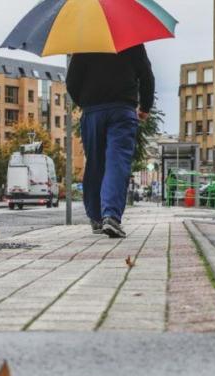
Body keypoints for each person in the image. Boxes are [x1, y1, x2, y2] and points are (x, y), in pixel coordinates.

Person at [67, 44, 155, 238]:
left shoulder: (86, 43)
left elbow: (72, 82)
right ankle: (111, 216)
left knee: (95, 164)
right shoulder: (133, 42)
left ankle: (97, 217)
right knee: (117, 161)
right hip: (122, 111)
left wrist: (86, 102)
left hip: (92, 112)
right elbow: (147, 76)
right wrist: (145, 107)